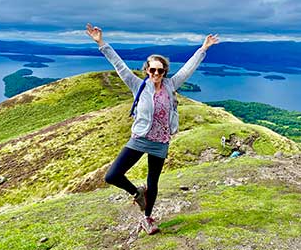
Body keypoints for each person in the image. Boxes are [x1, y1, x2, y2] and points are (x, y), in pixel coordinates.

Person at [85, 23, 219, 235]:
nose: (156, 73)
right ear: (146, 70)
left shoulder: (170, 85)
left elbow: (188, 69)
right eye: (152, 69)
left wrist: (203, 48)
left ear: (164, 71)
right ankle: (137, 192)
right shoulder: (137, 84)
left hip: (161, 141)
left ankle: (147, 218)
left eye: (160, 70)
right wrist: (101, 43)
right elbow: (119, 65)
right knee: (112, 176)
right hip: (140, 138)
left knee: (153, 182)